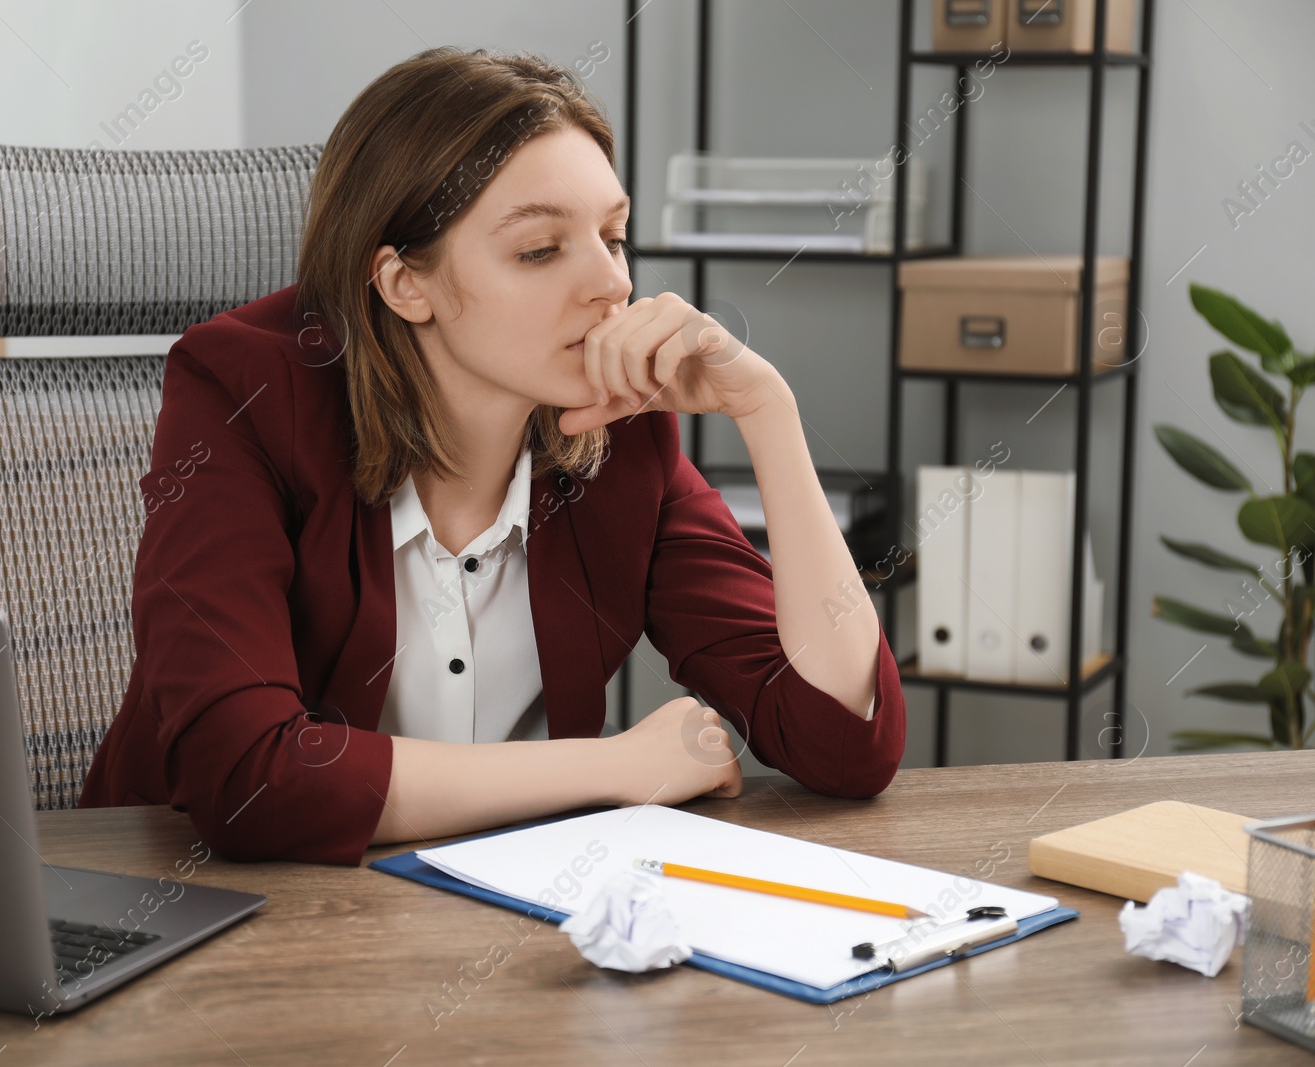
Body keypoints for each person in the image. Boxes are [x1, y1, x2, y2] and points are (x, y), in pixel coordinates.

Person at [77, 45, 905, 865]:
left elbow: (842, 741)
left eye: (614, 236)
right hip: (199, 924)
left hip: (502, 922)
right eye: (541, 249)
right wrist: (613, 767)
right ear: (406, 284)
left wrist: (769, 413)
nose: (611, 285)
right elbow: (249, 781)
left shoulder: (620, 428)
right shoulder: (246, 392)